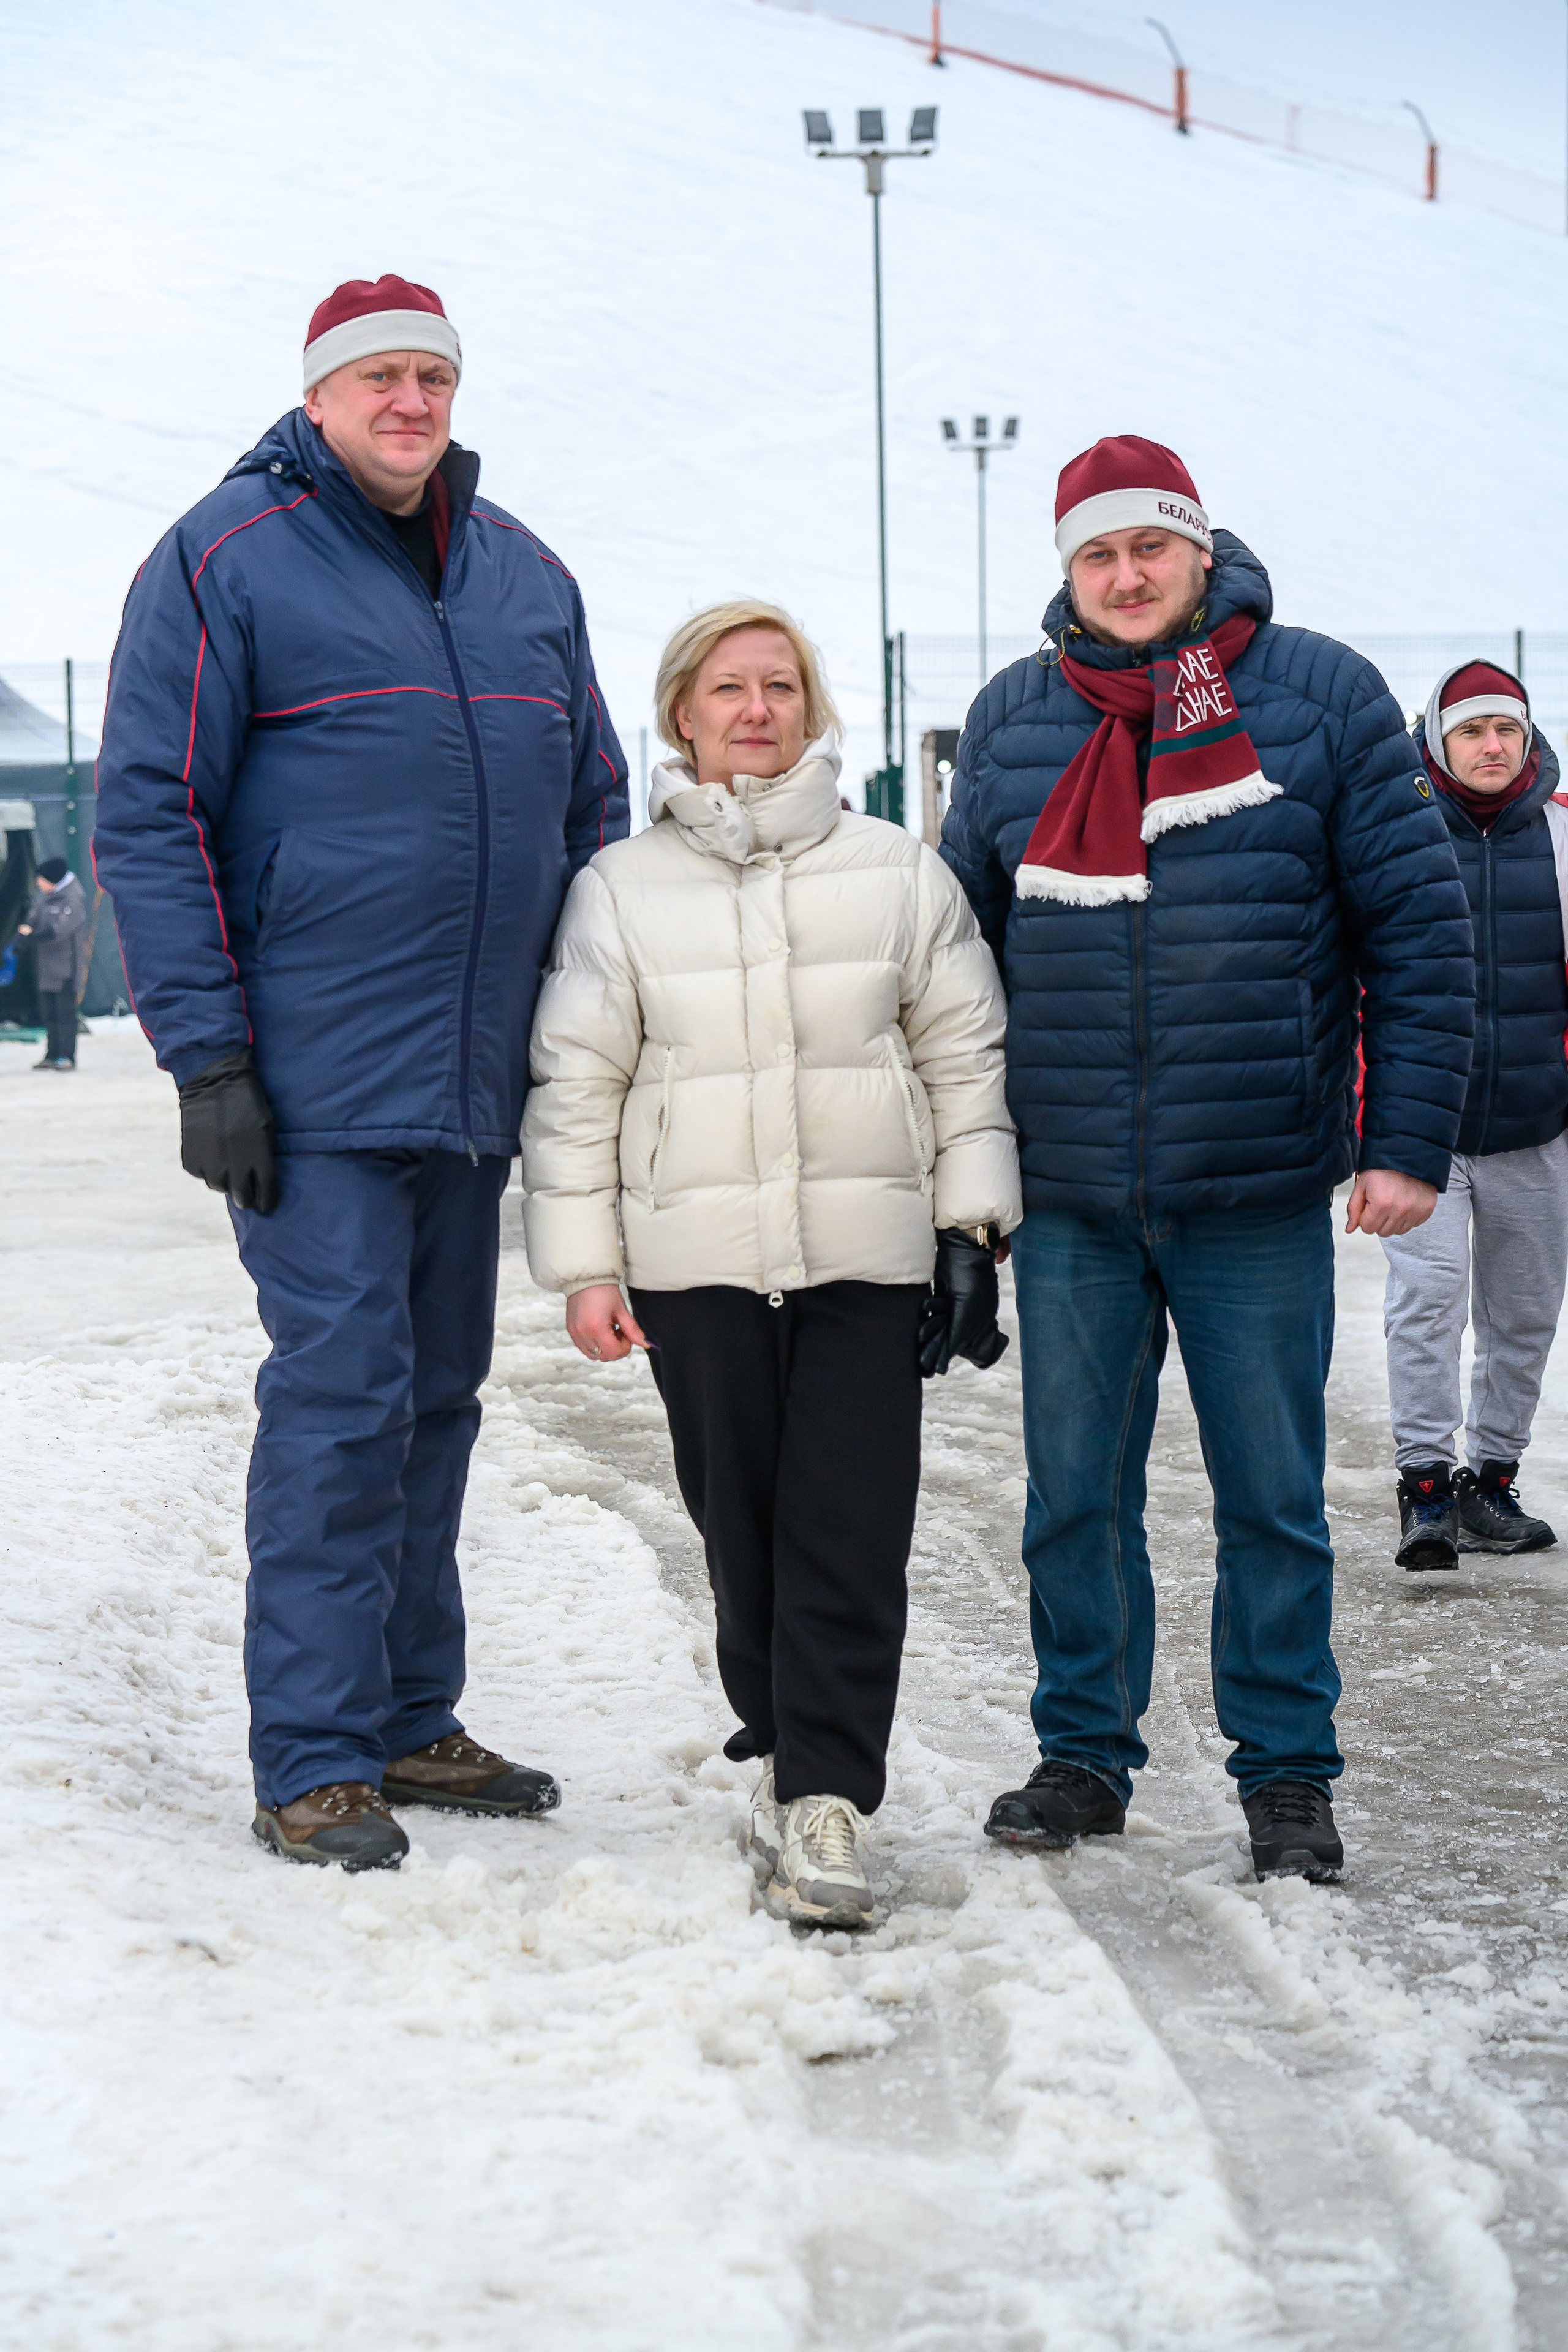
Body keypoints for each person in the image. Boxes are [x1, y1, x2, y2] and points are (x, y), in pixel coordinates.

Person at [94, 275, 628, 1871]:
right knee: (342, 1404)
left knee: (441, 1403)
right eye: (379, 377)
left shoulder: (528, 574)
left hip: (477, 1080)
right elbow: (148, 812)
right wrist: (209, 1058)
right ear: (317, 395)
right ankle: (315, 1755)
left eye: (432, 376)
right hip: (313, 1087)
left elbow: (594, 807)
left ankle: (406, 1715)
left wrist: (589, 1032)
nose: (410, 402)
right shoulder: (225, 557)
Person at [940, 435, 1473, 1882]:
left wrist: (1403, 1136)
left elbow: (1415, 935)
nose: (1123, 577)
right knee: (1070, 1494)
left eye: (1146, 549)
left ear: (1195, 548)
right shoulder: (1009, 718)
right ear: (1065, 572)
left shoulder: (1315, 695)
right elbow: (950, 970)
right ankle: (1081, 1749)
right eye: (1094, 556)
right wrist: (957, 1182)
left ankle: (1284, 1773)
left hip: (1250, 1187)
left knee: (1268, 1499)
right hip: (1066, 1203)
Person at [522, 601, 1021, 1924]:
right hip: (696, 1265)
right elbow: (578, 1085)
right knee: (739, 1532)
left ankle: (826, 1799)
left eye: (780, 687)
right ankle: (776, 1736)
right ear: (681, 712)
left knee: (848, 1533)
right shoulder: (619, 890)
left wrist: (970, 1233)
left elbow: (962, 1059)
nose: (756, 711)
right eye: (728, 689)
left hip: (870, 1259)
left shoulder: (899, 872)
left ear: (812, 710)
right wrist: (585, 1268)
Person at [1385, 662, 1565, 1570]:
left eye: (1507, 730)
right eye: (1471, 731)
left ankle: (1491, 1481)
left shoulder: (1563, 838)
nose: (1492, 746)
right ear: (1437, 739)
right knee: (1428, 1299)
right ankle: (1424, 1487)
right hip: (1426, 1126)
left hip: (1538, 1123)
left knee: (1526, 1308)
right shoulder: (1400, 833)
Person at [17, 856, 88, 1068]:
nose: (39, 883)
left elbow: (56, 933)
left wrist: (31, 935)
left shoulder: (72, 903)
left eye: (42, 879)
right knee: (49, 1014)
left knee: (65, 1014)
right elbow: (31, 921)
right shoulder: (44, 900)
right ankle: (52, 1054)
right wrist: (22, 938)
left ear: (54, 880)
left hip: (66, 970)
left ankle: (66, 1056)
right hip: (46, 969)